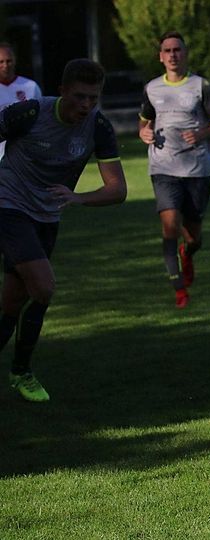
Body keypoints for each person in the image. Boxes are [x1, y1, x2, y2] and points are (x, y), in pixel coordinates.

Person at [0, 59, 127, 402]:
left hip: (47, 218)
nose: (86, 105)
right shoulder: (28, 114)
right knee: (44, 287)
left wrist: (78, 197)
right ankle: (22, 371)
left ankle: (18, 372)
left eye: (93, 98)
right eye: (79, 97)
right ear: (62, 91)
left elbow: (118, 190)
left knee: (11, 303)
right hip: (9, 207)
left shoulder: (98, 127)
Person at [139, 31, 210, 308]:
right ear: (160, 57)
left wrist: (202, 134)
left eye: (177, 50)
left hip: (197, 169)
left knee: (193, 236)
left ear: (185, 53)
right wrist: (144, 133)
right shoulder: (152, 88)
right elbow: (143, 123)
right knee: (169, 225)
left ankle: (188, 254)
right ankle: (179, 289)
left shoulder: (201, 86)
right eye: (167, 50)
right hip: (163, 167)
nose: (172, 55)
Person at [0, 42, 42, 161]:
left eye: (9, 61)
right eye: (1, 62)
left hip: (24, 154)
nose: (5, 65)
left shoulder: (30, 86)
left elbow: (41, 117)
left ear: (15, 61)